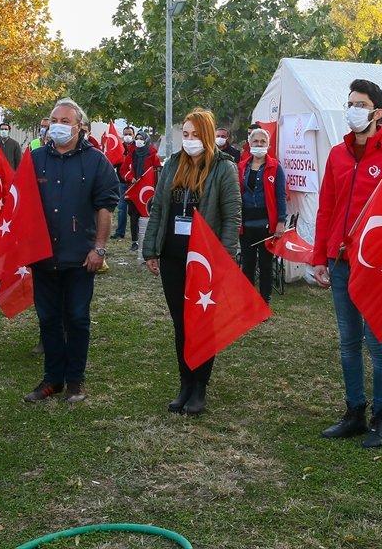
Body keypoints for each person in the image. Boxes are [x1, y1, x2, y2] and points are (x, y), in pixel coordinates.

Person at [311, 79, 382, 449]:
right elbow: (327, 206)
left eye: (361, 104)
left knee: (378, 342)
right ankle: (354, 411)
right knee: (347, 342)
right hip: (339, 261)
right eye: (350, 103)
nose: (353, 110)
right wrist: (320, 256)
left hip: (375, 267)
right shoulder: (338, 155)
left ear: (378, 111)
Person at [143, 108, 241, 416]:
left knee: (202, 320)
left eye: (196, 135)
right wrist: (150, 249)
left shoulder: (224, 168)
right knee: (180, 322)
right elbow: (158, 207)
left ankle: (200, 386)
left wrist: (225, 257)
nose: (190, 140)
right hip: (173, 255)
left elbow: (231, 215)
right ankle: (185, 382)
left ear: (208, 136)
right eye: (185, 135)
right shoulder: (172, 164)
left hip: (204, 259)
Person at [23, 100, 120, 404]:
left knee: (77, 318)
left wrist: (99, 249)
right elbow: (22, 207)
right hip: (43, 257)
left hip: (81, 258)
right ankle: (52, 379)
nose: (58, 125)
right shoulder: (34, 159)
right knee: (48, 319)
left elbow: (105, 208)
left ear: (80, 126)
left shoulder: (97, 161)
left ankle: (75, 380)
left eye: (65, 120)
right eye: (54, 119)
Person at [237, 128, 287, 302]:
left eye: (262, 142)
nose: (259, 144)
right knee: (248, 264)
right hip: (246, 224)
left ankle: (264, 300)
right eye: (256, 141)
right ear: (249, 144)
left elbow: (281, 196)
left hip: (267, 224)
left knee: (266, 264)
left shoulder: (275, 167)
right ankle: (248, 302)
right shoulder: (241, 167)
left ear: (268, 145)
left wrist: (281, 221)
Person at [118, 130, 161, 251]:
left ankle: (148, 241)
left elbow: (157, 171)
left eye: (141, 138)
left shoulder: (153, 154)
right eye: (137, 138)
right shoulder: (132, 154)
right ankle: (134, 241)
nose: (138, 141)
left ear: (146, 140)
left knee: (148, 215)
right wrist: (130, 178)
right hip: (134, 190)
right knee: (133, 215)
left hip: (148, 192)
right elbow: (123, 170)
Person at [110, 125, 136, 240]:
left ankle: (137, 234)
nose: (128, 136)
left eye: (130, 134)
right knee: (121, 209)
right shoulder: (119, 148)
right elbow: (113, 163)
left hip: (135, 184)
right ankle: (120, 232)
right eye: (125, 134)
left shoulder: (138, 148)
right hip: (122, 183)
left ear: (134, 135)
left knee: (135, 211)